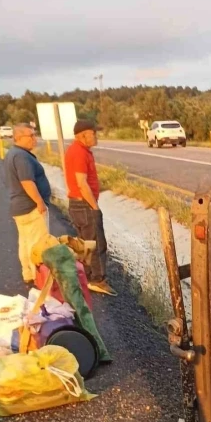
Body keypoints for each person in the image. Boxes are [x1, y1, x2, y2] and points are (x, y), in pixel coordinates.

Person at [65, 119, 116, 296]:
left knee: (84, 244)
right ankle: (98, 280)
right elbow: (81, 183)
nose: (96, 136)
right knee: (96, 244)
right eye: (93, 133)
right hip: (84, 205)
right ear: (83, 135)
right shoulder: (79, 152)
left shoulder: (77, 150)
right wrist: (94, 207)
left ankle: (86, 277)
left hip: (76, 204)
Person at [4, 124, 51, 285]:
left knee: (25, 242)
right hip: (30, 207)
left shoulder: (13, 153)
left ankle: (29, 273)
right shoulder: (22, 157)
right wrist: (39, 202)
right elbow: (27, 182)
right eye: (30, 136)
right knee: (38, 243)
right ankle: (39, 278)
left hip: (20, 207)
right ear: (18, 137)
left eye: (34, 135)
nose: (34, 139)